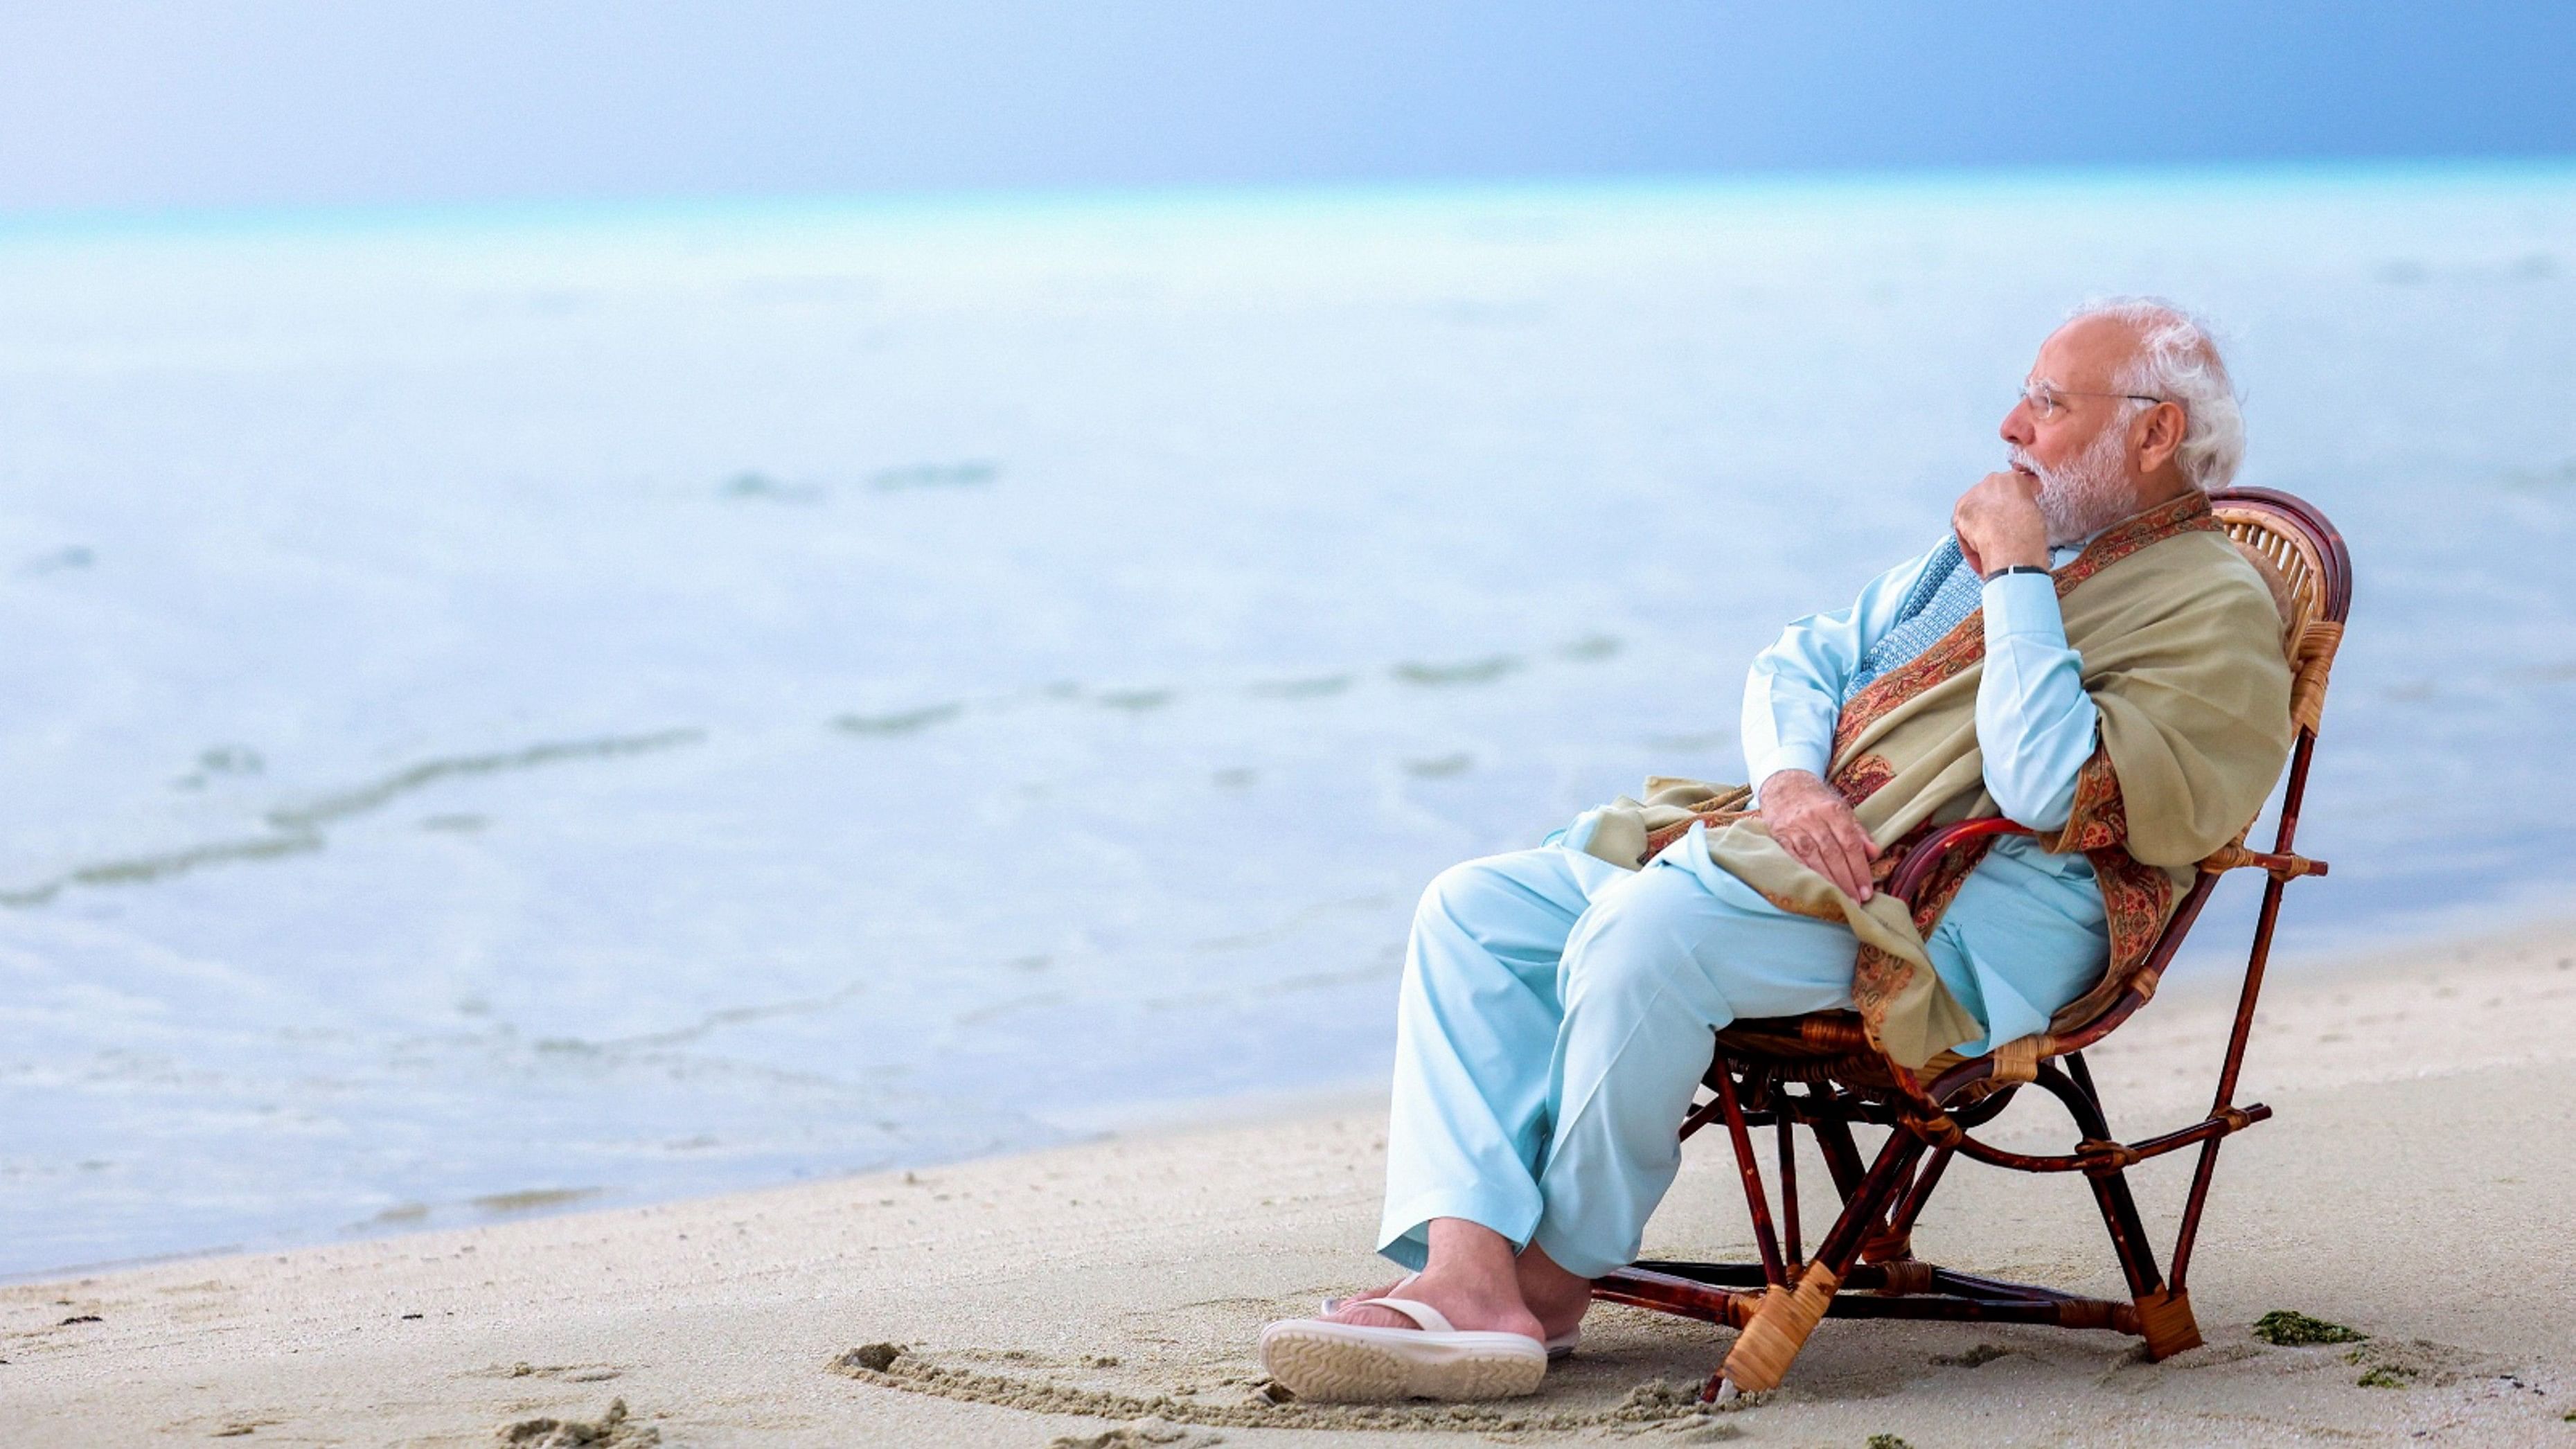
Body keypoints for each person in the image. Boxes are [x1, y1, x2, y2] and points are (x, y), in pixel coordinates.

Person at [1257, 299, 2296, 1403]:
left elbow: (2051, 784)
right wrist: (1795, 780)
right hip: (1829, 869)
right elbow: (1801, 659)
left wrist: (2020, 580)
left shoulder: (2209, 604)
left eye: (2048, 402)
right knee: (1474, 909)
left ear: (2153, 435)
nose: (2011, 426)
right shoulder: (1998, 554)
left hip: (1971, 926)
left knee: (1649, 928)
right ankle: (1470, 1275)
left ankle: (1553, 1277)